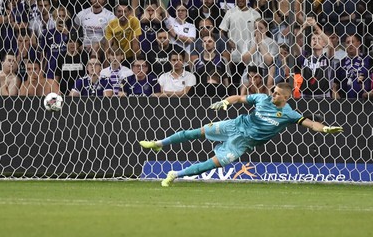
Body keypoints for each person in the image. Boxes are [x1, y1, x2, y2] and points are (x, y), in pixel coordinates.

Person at [139, 82, 344, 187]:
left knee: (213, 163)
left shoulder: (289, 114)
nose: (272, 95)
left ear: (286, 97)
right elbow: (240, 97)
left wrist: (325, 128)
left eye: (276, 94)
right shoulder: (262, 99)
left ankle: (174, 175)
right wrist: (227, 102)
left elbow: (310, 124)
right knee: (195, 132)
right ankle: (159, 143)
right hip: (234, 125)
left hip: (243, 143)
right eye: (273, 92)